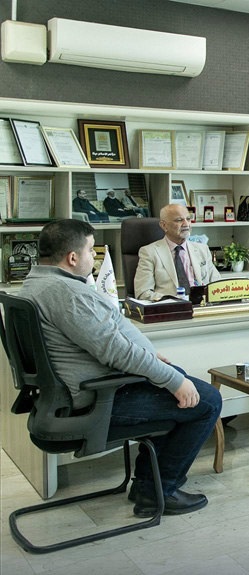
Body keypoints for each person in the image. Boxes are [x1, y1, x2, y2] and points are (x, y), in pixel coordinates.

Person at [19, 219, 221, 517]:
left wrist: (153, 359)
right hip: (94, 403)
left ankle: (147, 486)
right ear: (72, 258)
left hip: (74, 396)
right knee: (206, 401)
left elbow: (108, 338)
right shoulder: (68, 294)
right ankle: (158, 492)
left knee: (173, 381)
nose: (94, 256)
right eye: (91, 250)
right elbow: (117, 351)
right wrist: (172, 380)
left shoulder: (35, 284)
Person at [134, 203, 221, 300]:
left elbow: (218, 285)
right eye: (179, 220)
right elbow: (143, 293)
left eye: (188, 219)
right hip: (170, 307)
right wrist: (175, 301)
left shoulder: (202, 250)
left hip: (202, 305)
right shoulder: (149, 252)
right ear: (164, 226)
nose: (186, 224)